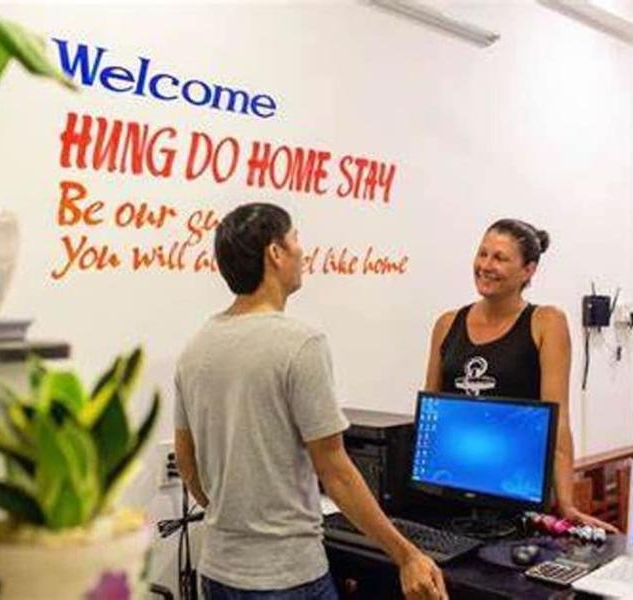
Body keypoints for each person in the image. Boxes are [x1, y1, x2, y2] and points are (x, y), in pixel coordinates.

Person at [174, 202, 447, 600]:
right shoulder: (300, 344)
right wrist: (406, 555)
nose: (303, 251)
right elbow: (335, 470)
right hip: (285, 577)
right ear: (275, 252)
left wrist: (228, 512)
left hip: (217, 572)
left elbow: (186, 459)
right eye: (296, 239)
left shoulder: (196, 348)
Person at [423, 218, 618, 533]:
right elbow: (431, 414)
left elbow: (559, 420)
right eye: (482, 254)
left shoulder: (546, 322)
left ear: (528, 270)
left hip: (515, 492)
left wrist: (566, 504)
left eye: (499, 258)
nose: (485, 265)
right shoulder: (447, 323)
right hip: (452, 488)